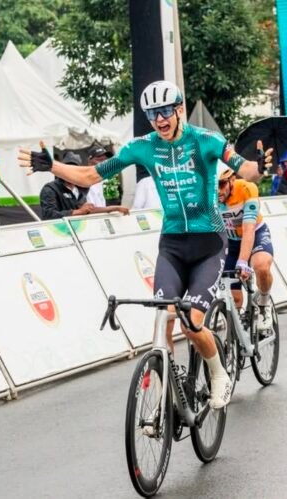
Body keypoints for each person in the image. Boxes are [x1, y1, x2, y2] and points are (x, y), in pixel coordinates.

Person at [19, 80, 272, 409]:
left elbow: (245, 169)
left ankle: (218, 371)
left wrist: (259, 167)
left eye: (165, 111)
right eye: (152, 114)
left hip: (208, 243)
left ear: (179, 110)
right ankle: (166, 391)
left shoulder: (206, 140)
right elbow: (91, 175)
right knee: (163, 317)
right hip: (172, 245)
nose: (159, 119)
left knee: (192, 324)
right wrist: (51, 165)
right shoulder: (143, 147)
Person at [217, 164, 275, 330]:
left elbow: (249, 229)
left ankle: (264, 303)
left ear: (232, 179)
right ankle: (235, 335)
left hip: (255, 233)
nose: (218, 191)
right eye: (213, 186)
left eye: (221, 184)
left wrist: (243, 261)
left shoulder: (247, 189)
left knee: (261, 266)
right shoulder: (207, 195)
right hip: (230, 241)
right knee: (234, 299)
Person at [39, 152, 129, 220]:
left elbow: (88, 210)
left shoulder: (82, 187)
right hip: (60, 233)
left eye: (74, 169)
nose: (70, 172)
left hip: (80, 230)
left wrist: (114, 208)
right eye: (68, 168)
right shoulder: (50, 189)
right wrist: (79, 211)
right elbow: (48, 215)